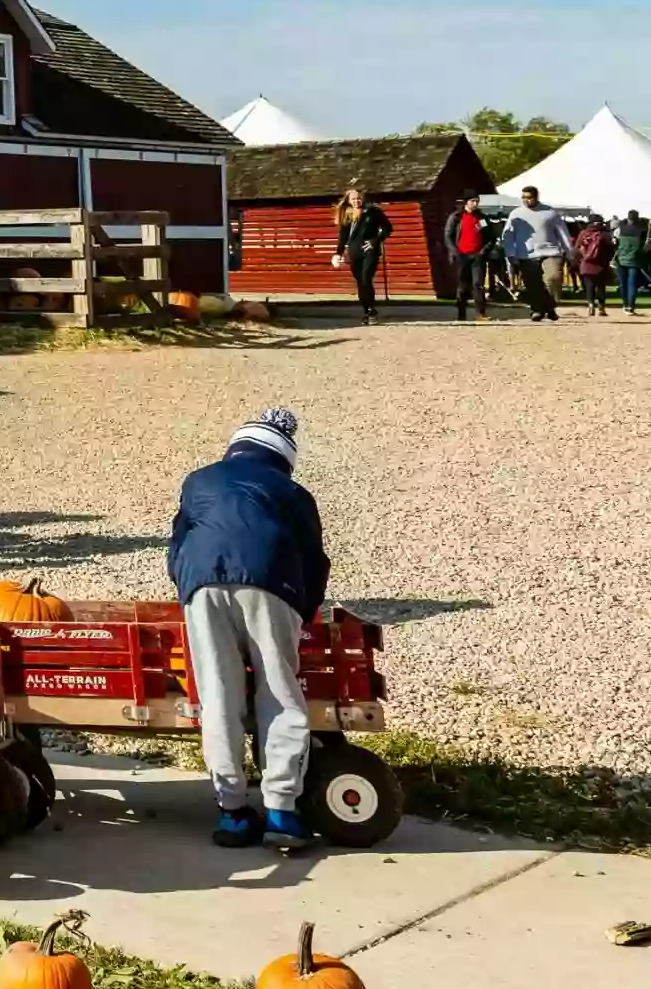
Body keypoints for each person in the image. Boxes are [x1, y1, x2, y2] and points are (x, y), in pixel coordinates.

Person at [167, 407, 330, 850]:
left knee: (219, 695)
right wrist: (305, 613)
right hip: (270, 583)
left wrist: (189, 590)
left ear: (235, 447)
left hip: (201, 584)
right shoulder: (293, 493)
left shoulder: (198, 480)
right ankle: (281, 810)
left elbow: (178, 545)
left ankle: (233, 812)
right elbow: (314, 563)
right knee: (278, 693)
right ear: (283, 457)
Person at [498, 186, 570, 321]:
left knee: (553, 277)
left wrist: (569, 251)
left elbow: (562, 233)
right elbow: (508, 236)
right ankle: (538, 310)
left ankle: (550, 305)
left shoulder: (550, 212)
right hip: (527, 254)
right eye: (523, 197)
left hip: (550, 251)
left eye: (529, 198)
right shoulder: (516, 214)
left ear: (536, 197)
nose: (526, 200)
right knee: (533, 284)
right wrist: (510, 254)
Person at [331, 187, 392, 322]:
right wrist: (338, 253)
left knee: (366, 278)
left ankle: (371, 310)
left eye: (358, 198)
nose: (356, 201)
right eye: (353, 199)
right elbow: (343, 236)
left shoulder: (373, 211)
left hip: (370, 250)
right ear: (348, 200)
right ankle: (367, 310)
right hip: (354, 252)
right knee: (360, 282)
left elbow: (388, 228)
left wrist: (375, 241)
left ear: (362, 198)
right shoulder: (347, 214)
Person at [440, 195, 493, 322]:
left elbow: (490, 236)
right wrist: (455, 252)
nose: (475, 204)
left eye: (477, 201)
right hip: (461, 255)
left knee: (478, 284)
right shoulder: (456, 217)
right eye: (472, 201)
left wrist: (483, 251)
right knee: (463, 285)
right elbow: (448, 236)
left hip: (477, 255)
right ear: (466, 202)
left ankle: (480, 313)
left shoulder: (482, 218)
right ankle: (461, 313)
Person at [572, 213, 615, 316]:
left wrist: (579, 260)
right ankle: (601, 307)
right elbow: (611, 248)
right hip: (601, 263)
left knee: (589, 286)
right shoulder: (604, 234)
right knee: (601, 286)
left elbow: (576, 248)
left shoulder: (583, 233)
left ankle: (591, 305)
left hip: (586, 263)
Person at [614, 210, 651, 315]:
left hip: (621, 259)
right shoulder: (642, 230)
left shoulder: (620, 229)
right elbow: (644, 249)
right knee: (632, 284)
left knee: (623, 284)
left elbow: (615, 242)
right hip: (635, 260)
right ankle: (630, 307)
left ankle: (625, 305)